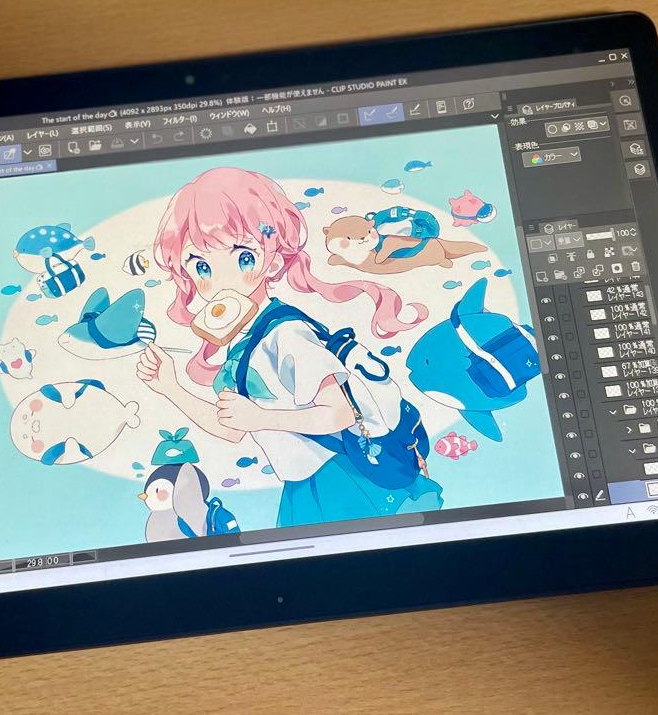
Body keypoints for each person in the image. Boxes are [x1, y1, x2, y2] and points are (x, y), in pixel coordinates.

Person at [136, 167, 443, 527]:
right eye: (202, 267)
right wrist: (170, 387)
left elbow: (339, 414)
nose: (222, 282)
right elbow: (232, 428)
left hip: (340, 476)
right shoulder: (243, 344)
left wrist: (261, 418)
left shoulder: (286, 335)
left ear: (275, 261)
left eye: (244, 258)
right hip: (303, 484)